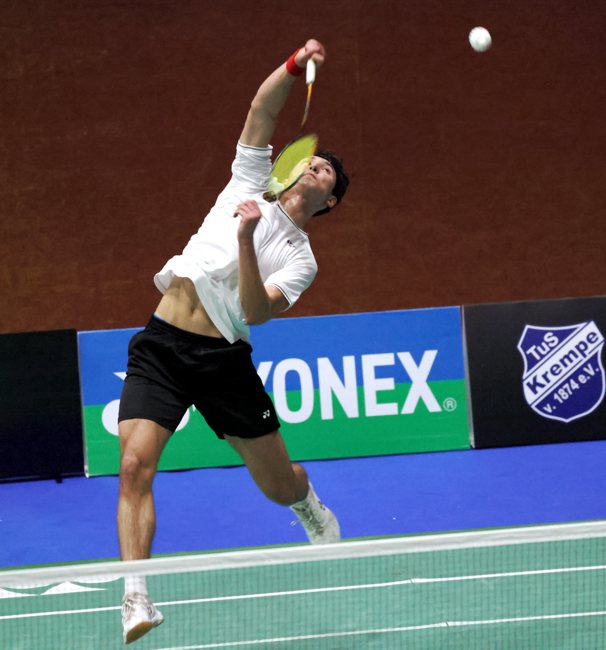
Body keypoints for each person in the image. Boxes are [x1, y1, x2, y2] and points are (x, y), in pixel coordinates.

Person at [117, 38, 350, 644]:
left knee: (277, 487)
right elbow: (261, 111)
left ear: (329, 202)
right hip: (163, 341)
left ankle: (309, 506)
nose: (315, 166)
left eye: (327, 171)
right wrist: (297, 63)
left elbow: (254, 311)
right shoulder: (250, 178)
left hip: (222, 361)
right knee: (135, 464)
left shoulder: (301, 259)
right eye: (313, 160)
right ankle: (136, 596)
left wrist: (247, 240)